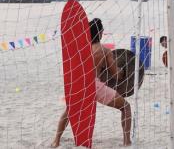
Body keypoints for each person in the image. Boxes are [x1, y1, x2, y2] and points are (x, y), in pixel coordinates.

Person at [51, 18, 131, 148]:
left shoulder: (80, 48)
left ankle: (56, 141)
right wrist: (124, 71)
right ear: (100, 33)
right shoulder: (105, 51)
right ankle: (127, 141)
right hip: (95, 87)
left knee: (69, 112)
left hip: (79, 84)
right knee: (126, 107)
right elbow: (116, 74)